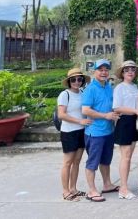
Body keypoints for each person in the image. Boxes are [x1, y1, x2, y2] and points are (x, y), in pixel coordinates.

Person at [81, 59, 120, 202]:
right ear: (95, 71)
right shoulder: (90, 89)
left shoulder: (108, 86)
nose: (104, 72)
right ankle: (92, 190)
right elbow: (85, 110)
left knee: (105, 160)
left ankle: (107, 184)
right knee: (93, 162)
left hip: (108, 131)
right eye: (100, 70)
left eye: (106, 70)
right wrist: (105, 116)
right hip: (95, 132)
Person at [112, 60, 138, 200]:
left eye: (133, 70)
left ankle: (125, 186)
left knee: (129, 155)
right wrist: (135, 111)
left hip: (135, 122)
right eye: (127, 70)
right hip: (125, 122)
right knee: (125, 156)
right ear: (122, 73)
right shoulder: (119, 88)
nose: (130, 72)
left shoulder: (134, 87)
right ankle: (123, 188)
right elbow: (116, 108)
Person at [57, 68, 92, 201]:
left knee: (77, 161)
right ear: (69, 81)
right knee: (68, 162)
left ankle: (73, 188)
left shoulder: (83, 92)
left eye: (79, 79)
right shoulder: (65, 95)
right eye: (73, 80)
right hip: (69, 132)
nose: (77, 82)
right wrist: (79, 121)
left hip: (82, 131)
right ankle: (65, 191)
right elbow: (61, 115)